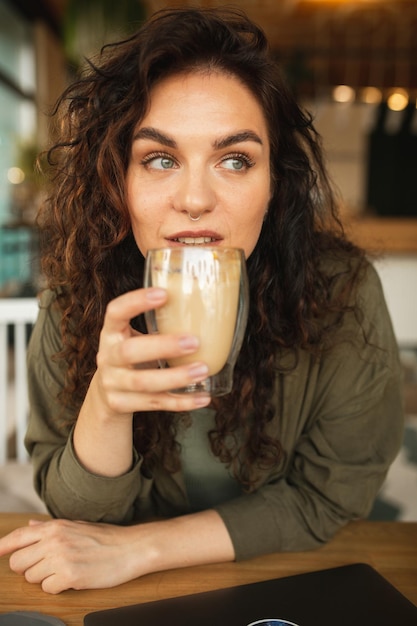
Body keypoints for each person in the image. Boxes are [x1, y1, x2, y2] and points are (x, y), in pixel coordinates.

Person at [0, 7, 403, 594]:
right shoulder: (75, 298)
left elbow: (329, 496)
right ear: (120, 182)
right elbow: (79, 523)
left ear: (275, 184)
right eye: (160, 159)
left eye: (234, 159)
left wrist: (145, 549)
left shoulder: (339, 296)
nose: (194, 198)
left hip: (273, 583)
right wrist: (107, 409)